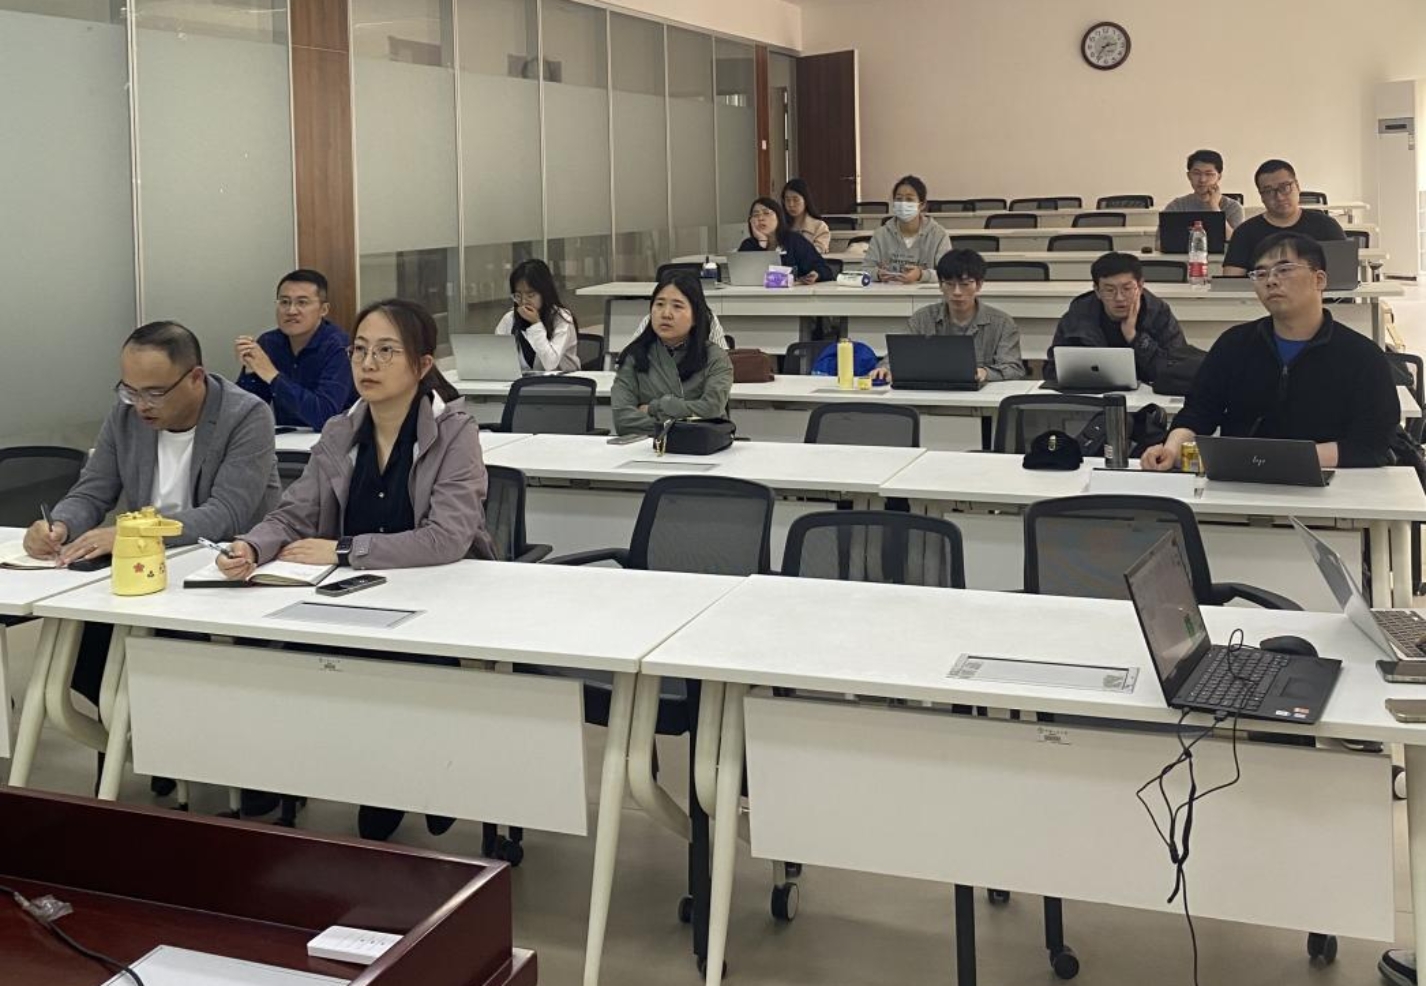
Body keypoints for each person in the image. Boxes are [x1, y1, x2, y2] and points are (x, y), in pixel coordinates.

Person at [217, 297, 496, 841]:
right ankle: (305, 771)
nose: (368, 363)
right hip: (354, 595)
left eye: (386, 351)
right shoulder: (340, 431)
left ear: (421, 364)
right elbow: (295, 513)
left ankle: (412, 776)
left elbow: (447, 538)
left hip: (437, 601)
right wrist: (251, 546)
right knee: (282, 658)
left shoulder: (454, 432)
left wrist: (344, 550)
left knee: (388, 674)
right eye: (360, 350)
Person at [22, 322, 281, 775]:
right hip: (150, 573)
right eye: (130, 390)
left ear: (196, 377)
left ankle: (215, 762)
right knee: (85, 640)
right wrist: (59, 525)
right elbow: (93, 489)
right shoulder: (125, 417)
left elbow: (226, 514)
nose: (141, 404)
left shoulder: (246, 415)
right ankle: (144, 746)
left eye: (155, 393)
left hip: (227, 572)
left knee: (184, 660)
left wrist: (131, 535)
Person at [1141, 233, 1397, 472]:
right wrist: (1171, 449)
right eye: (1261, 273)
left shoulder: (1362, 356)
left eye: (1284, 270)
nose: (1271, 281)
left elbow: (1372, 445)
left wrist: (1283, 459)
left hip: (1331, 485)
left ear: (1319, 280)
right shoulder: (1234, 345)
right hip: (1242, 482)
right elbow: (1198, 413)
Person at [870, 249, 1026, 384]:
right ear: (940, 285)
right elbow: (898, 356)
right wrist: (885, 369)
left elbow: (1014, 368)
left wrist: (985, 373)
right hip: (931, 395)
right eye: (949, 284)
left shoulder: (1002, 323)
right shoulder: (922, 319)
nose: (957, 292)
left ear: (978, 285)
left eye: (965, 284)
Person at [612, 270, 733, 437]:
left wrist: (656, 407)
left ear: (695, 316)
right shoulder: (634, 356)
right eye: (659, 304)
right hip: (646, 447)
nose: (666, 314)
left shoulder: (715, 357)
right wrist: (686, 426)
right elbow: (623, 420)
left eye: (677, 306)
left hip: (704, 447)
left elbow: (712, 410)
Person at [235, 269, 355, 431]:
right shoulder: (269, 343)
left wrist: (272, 375)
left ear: (324, 310)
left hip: (336, 439)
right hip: (287, 440)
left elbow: (325, 416)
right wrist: (250, 371)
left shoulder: (340, 347)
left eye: (302, 302)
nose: (291, 311)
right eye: (284, 302)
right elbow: (245, 413)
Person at [1043, 252, 1186, 383]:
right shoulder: (1078, 315)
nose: (1119, 298)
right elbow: (1052, 370)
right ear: (1097, 291)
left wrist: (1135, 337)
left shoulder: (1158, 314)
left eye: (1127, 289)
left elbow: (1178, 371)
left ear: (1140, 286)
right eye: (1109, 290)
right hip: (1092, 394)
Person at [1222, 159, 1345, 276]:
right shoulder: (1245, 232)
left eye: (1285, 187)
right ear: (1262, 196)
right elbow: (1231, 282)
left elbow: (1344, 276)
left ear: (1297, 187)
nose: (1279, 197)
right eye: (1269, 191)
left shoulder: (1327, 226)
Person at [860, 175, 951, 283]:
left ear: (922, 205)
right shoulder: (881, 234)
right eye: (899, 199)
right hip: (889, 291)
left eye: (909, 199)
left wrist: (921, 275)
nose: (903, 204)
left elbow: (948, 273)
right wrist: (877, 274)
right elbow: (865, 269)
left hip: (925, 292)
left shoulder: (938, 235)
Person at [494, 259, 580, 372]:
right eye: (518, 296)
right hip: (524, 380)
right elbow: (497, 357)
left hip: (563, 380)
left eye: (530, 295)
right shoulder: (509, 319)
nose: (524, 302)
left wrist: (536, 324)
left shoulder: (562, 318)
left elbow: (550, 363)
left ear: (545, 293)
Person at [738, 197, 834, 284]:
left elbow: (825, 270)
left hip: (792, 295)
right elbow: (742, 276)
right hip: (756, 296)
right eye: (755, 215)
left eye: (766, 213)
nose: (760, 218)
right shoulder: (748, 245)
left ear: (778, 217)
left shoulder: (794, 241)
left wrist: (816, 274)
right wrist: (762, 242)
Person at [1163, 149, 1245, 232]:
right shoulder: (1177, 206)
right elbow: (1161, 238)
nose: (1202, 179)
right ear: (1189, 176)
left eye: (1209, 174)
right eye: (1196, 173)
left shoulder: (1233, 207)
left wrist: (1215, 207)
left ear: (1219, 177)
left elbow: (1235, 239)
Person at [781, 178, 831, 254]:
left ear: (806, 200)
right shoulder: (780, 225)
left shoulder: (819, 226)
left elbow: (819, 249)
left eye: (796, 200)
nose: (791, 204)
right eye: (787, 200)